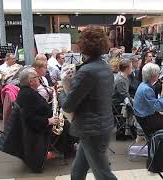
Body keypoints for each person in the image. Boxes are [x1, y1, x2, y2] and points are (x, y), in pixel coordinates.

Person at [59, 26, 117, 180]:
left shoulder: (86, 71)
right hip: (103, 124)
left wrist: (62, 90)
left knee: (104, 175)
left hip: (91, 130)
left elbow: (68, 105)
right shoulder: (105, 67)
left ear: (83, 45)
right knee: (78, 171)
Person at [14, 67, 58, 172]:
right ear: (30, 81)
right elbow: (30, 119)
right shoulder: (28, 95)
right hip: (39, 127)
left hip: (42, 122)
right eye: (36, 77)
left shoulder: (28, 91)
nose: (39, 78)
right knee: (66, 125)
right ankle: (67, 148)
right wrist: (49, 121)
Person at [133, 62, 163, 139]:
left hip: (144, 115)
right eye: (158, 73)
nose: (159, 75)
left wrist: (160, 113)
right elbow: (159, 107)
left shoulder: (143, 84)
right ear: (153, 76)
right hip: (145, 120)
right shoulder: (147, 89)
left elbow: (150, 105)